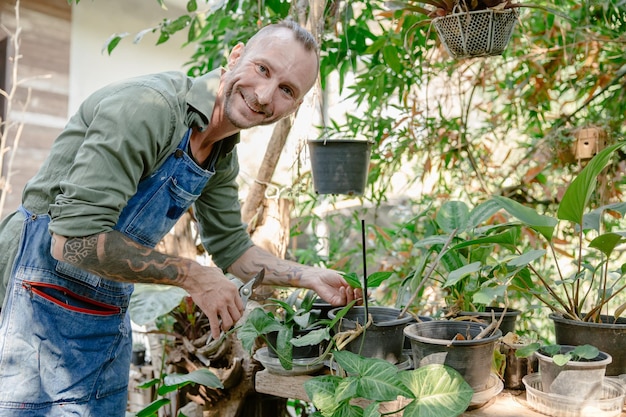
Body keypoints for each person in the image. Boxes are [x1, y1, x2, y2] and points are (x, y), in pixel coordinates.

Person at [0, 19, 360, 416]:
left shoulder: (221, 153)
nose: (264, 95)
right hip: (37, 291)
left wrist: (306, 275)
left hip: (103, 307)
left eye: (287, 90)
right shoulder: (148, 108)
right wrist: (193, 275)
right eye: (263, 69)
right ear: (236, 55)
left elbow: (233, 250)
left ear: (295, 105)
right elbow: (71, 241)